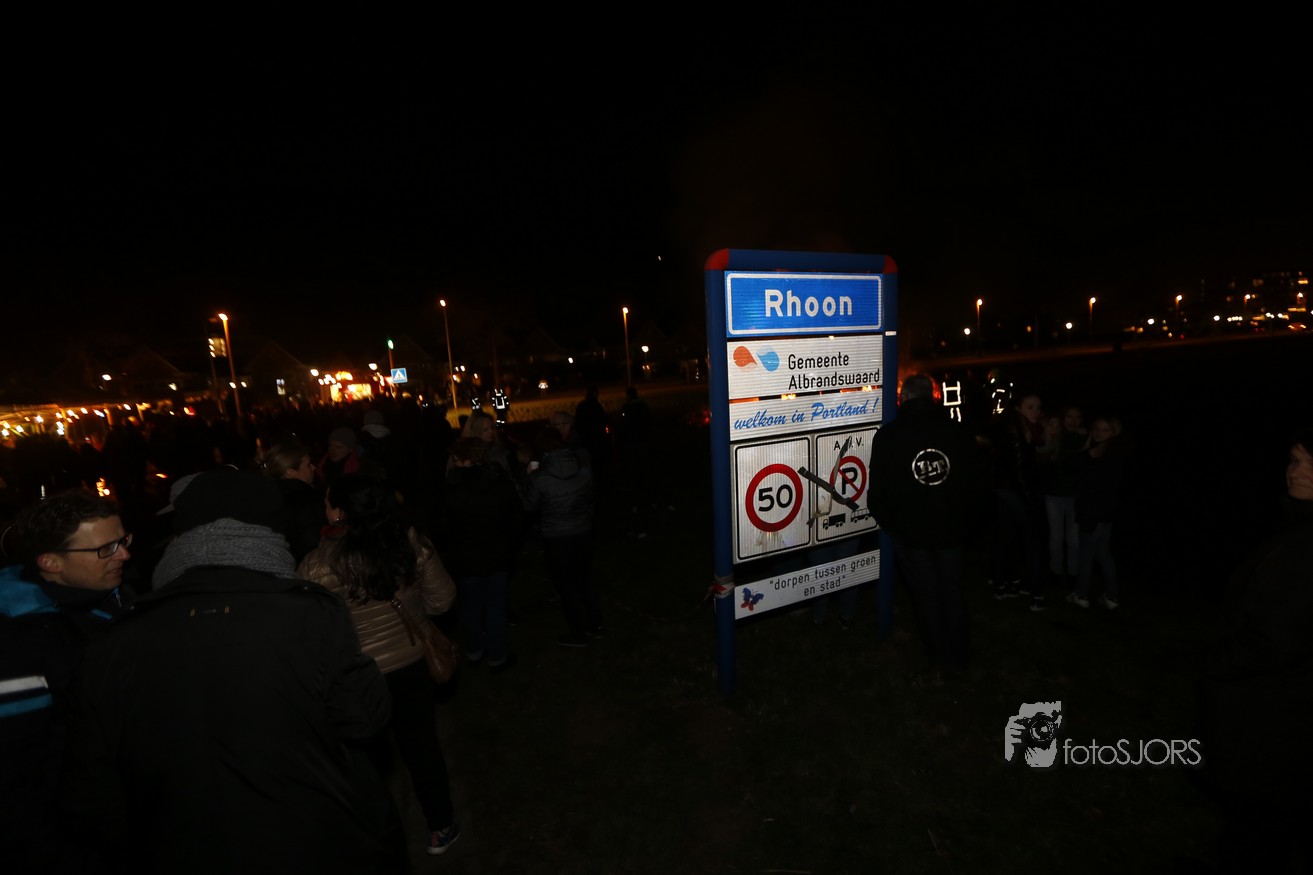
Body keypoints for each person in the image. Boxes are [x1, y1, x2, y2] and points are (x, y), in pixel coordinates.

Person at [63, 467, 402, 874]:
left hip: (179, 848)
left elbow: (93, 784)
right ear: (271, 531)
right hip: (307, 837)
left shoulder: (117, 639)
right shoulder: (310, 614)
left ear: (182, 535)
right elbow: (363, 720)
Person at [298, 473, 462, 857]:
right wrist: (416, 613)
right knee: (421, 746)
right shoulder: (408, 541)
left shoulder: (316, 565)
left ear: (340, 511)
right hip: (411, 663)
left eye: (328, 502)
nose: (324, 508)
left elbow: (311, 629)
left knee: (366, 760)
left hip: (357, 674)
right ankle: (441, 826)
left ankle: (378, 843)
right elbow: (442, 600)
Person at [1195, 428, 1313, 872]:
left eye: (1310, 464)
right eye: (1295, 460)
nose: (1296, 472)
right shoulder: (1298, 529)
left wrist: (1210, 664)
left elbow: (1273, 641)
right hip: (1279, 712)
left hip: (1274, 717)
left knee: (1257, 827)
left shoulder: (1306, 547)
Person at [1, 492, 133, 873]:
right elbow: (14, 782)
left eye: (123, 540)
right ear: (51, 563)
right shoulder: (19, 645)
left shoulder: (114, 601)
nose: (124, 555)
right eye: (105, 549)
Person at [867, 374, 988, 673]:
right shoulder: (957, 431)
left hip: (911, 531)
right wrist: (967, 520)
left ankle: (939, 656)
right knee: (952, 588)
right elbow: (978, 482)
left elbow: (878, 489)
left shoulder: (889, 435)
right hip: (952, 529)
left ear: (903, 398)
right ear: (932, 396)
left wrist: (892, 523)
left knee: (926, 592)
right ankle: (959, 654)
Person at [442, 436, 524, 670]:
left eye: (456, 458)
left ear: (467, 460)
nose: (453, 462)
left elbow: (443, 527)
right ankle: (495, 656)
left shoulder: (452, 488)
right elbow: (516, 519)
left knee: (472, 605)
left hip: (467, 560)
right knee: (494, 606)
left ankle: (476, 651)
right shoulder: (498, 483)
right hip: (495, 556)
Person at [523, 425, 599, 648]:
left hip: (556, 536)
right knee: (585, 578)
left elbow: (528, 507)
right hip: (583, 531)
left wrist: (530, 478)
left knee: (566, 584)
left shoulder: (539, 476)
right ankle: (597, 625)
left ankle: (578, 633)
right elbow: (591, 495)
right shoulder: (582, 468)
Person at [984, 390, 1047, 610]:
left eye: (1038, 407)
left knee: (1007, 537)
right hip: (1013, 491)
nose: (1036, 411)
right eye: (1030, 407)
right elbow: (1018, 470)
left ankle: (1004, 584)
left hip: (1006, 490)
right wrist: (1029, 500)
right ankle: (1037, 594)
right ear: (1018, 408)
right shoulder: (1016, 430)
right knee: (1032, 541)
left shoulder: (1022, 427)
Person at [1065, 416, 1125, 609]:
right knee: (1103, 553)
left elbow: (1081, 474)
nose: (1099, 433)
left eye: (1105, 429)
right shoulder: (1106, 452)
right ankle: (1111, 596)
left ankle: (1081, 594)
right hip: (1105, 511)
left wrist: (1087, 458)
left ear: (1113, 433)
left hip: (1094, 511)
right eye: (1097, 428)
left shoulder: (1104, 454)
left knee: (1087, 553)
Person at [256, 439, 324, 563]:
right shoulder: (303, 497)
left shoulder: (267, 496)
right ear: (290, 472)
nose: (314, 467)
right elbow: (312, 540)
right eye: (308, 465)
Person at [317, 425, 362, 491]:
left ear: (351, 449)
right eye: (331, 446)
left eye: (339, 447)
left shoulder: (357, 470)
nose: (333, 450)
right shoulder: (322, 463)